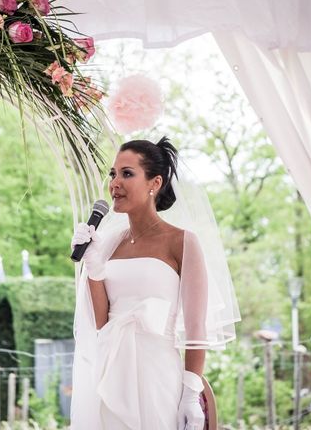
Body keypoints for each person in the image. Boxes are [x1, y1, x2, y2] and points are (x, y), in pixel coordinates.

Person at [70, 137, 239, 430]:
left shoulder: (181, 241)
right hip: (110, 372)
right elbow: (101, 323)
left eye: (127, 173)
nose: (115, 183)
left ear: (154, 183)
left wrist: (190, 393)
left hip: (157, 374)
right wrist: (94, 267)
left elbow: (197, 328)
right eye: (113, 174)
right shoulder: (109, 243)